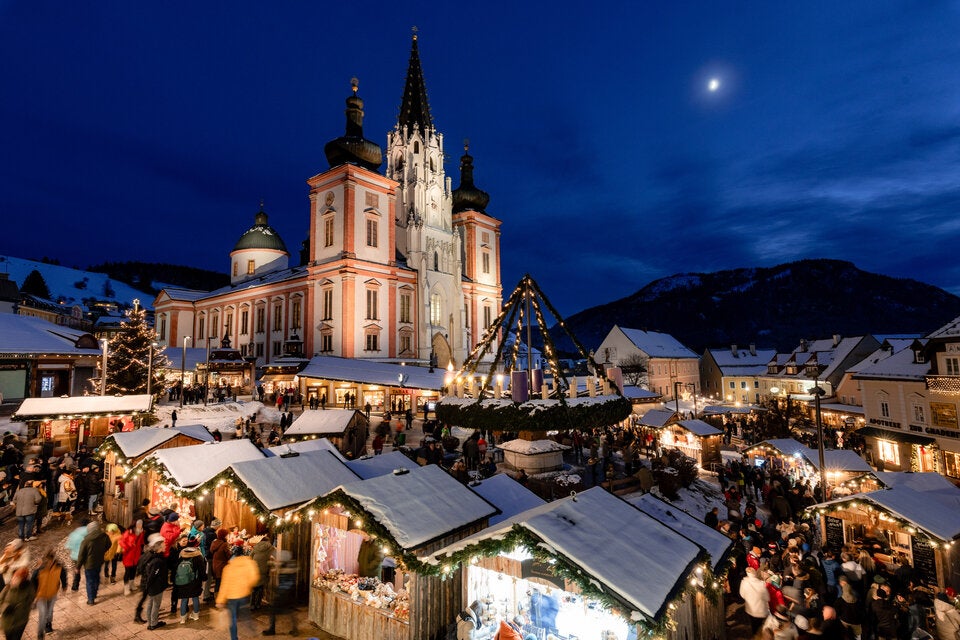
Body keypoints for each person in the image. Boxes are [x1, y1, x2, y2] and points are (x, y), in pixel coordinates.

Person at [216, 546, 260, 640]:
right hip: (244, 595)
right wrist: (246, 586)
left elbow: (224, 585)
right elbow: (254, 579)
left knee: (232, 619)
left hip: (232, 598)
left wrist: (220, 600)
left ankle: (234, 638)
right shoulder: (250, 563)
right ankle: (253, 632)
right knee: (246, 616)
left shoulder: (228, 567)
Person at [262, 550, 299, 636]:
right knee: (290, 611)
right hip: (289, 592)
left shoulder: (286, 566)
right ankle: (295, 629)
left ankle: (272, 629)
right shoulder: (291, 564)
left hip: (283, 592)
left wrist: (278, 591)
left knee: (272, 610)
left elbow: (285, 581)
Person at [76, 520, 110, 605]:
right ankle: (94, 594)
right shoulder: (104, 536)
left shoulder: (86, 540)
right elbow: (109, 544)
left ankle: (91, 599)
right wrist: (102, 551)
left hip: (89, 564)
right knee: (96, 578)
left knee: (90, 581)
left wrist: (78, 567)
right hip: (99, 561)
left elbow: (81, 555)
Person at [174, 535, 206, 624]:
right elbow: (202, 570)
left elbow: (176, 567)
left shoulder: (182, 553)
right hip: (195, 581)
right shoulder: (198, 556)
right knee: (195, 597)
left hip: (183, 580)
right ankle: (195, 615)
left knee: (184, 599)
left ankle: (183, 618)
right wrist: (204, 578)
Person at [32, 551, 62, 640]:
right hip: (41, 596)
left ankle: (48, 624)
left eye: (50, 562)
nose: (48, 564)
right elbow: (33, 582)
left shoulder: (58, 566)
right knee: (43, 613)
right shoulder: (38, 571)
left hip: (52, 593)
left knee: (49, 612)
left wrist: (64, 584)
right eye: (47, 562)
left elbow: (63, 574)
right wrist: (34, 596)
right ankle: (40, 634)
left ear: (53, 560)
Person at [142, 534, 169, 630]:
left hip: (151, 587)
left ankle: (150, 622)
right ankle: (153, 624)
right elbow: (153, 575)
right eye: (164, 545)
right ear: (159, 547)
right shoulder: (157, 561)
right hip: (156, 587)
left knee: (151, 604)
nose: (165, 546)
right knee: (156, 605)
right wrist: (148, 586)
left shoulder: (151, 556)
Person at [0, 568, 34, 640]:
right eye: (14, 577)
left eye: (17, 578)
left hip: (20, 622)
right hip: (7, 622)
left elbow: (30, 601)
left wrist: (18, 606)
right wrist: (5, 607)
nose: (14, 579)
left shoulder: (28, 588)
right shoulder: (7, 587)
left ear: (23, 579)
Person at [249, 534, 275, 611]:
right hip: (264, 569)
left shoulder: (256, 547)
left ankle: (251, 605)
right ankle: (257, 604)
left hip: (254, 569)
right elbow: (273, 557)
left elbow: (250, 557)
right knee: (260, 588)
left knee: (254, 588)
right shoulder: (270, 547)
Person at [119, 521, 144, 596]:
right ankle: (126, 588)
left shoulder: (142, 532)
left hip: (136, 555)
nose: (140, 526)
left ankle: (131, 584)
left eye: (141, 524)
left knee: (134, 570)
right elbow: (121, 542)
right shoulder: (128, 532)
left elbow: (141, 542)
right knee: (127, 572)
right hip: (128, 556)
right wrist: (130, 545)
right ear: (134, 525)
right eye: (138, 524)